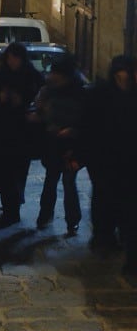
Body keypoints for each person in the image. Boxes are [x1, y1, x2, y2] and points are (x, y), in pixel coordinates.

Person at [83, 55, 137, 274]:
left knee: (127, 205)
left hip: (128, 161)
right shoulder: (101, 94)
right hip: (106, 159)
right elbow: (90, 126)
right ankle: (104, 237)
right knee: (104, 199)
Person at [0, 42, 44, 226]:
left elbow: (40, 97)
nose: (13, 62)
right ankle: (9, 209)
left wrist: (23, 102)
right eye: (10, 58)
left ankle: (14, 208)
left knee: (17, 173)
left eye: (16, 58)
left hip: (22, 134)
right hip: (1, 133)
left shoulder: (31, 75)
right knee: (4, 174)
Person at [35, 53, 85, 235]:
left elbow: (86, 120)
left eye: (56, 73)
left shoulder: (79, 93)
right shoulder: (48, 90)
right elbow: (40, 112)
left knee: (68, 182)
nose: (52, 76)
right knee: (51, 180)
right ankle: (45, 215)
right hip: (53, 143)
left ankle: (72, 221)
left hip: (71, 145)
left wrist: (72, 131)